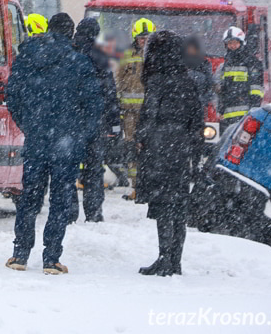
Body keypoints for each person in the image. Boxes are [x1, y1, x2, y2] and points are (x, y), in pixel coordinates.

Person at [4, 13, 103, 274]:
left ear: (48, 29)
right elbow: (94, 105)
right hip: (66, 142)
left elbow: (12, 94)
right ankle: (51, 259)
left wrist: (28, 124)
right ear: (70, 33)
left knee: (29, 198)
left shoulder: (27, 56)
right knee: (60, 200)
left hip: (37, 139)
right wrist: (80, 133)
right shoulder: (79, 62)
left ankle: (20, 254)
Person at [135, 31, 205, 276]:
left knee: (163, 204)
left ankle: (164, 257)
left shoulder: (157, 81)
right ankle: (175, 260)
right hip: (181, 147)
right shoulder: (187, 80)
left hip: (160, 147)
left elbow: (149, 115)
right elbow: (197, 119)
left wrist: (142, 139)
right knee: (178, 204)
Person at [70, 18, 121, 223]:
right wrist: (114, 122)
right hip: (95, 121)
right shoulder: (101, 56)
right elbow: (109, 92)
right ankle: (93, 212)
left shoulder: (70, 51)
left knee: (70, 169)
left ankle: (70, 211)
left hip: (71, 121)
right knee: (94, 168)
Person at [115, 17, 155, 200]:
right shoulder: (127, 55)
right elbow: (119, 80)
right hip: (129, 112)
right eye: (141, 38)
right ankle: (135, 186)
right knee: (131, 147)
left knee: (149, 147)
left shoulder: (155, 56)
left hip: (149, 112)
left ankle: (148, 184)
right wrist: (117, 104)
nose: (144, 41)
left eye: (147, 38)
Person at [215, 26, 264, 131]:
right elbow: (222, 90)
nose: (232, 46)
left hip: (246, 115)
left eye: (235, 43)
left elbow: (257, 88)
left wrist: (254, 108)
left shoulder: (252, 62)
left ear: (241, 43)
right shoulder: (225, 65)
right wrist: (220, 110)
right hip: (228, 117)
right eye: (229, 43)